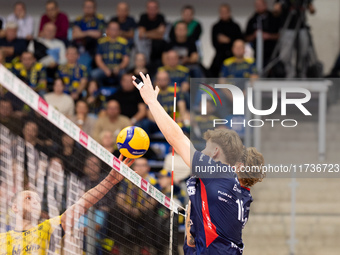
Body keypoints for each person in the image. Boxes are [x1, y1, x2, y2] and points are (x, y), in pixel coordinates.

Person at [132, 72, 265, 254]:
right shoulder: (245, 196)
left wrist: (152, 102)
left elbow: (178, 139)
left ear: (240, 166)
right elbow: (196, 233)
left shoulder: (221, 176)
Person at [1, 154, 133, 254]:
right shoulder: (2, 238)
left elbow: (82, 204)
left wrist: (109, 181)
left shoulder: (46, 228)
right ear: (15, 207)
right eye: (29, 197)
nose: (35, 201)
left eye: (37, 200)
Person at [116, 157, 157, 254]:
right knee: (116, 210)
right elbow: (119, 197)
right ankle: (116, 246)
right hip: (128, 210)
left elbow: (153, 201)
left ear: (148, 168)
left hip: (143, 212)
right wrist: (127, 207)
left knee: (150, 213)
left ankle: (146, 247)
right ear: (134, 167)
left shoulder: (152, 181)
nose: (140, 168)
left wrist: (139, 209)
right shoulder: (127, 179)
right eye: (138, 165)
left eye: (143, 165)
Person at [273, 0, 315, 78]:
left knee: (304, 51)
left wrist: (308, 6)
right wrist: (278, 8)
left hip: (301, 26)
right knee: (285, 54)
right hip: (288, 27)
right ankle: (290, 72)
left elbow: (312, 10)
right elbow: (276, 11)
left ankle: (302, 72)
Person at [92, 21, 130, 87]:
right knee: (94, 74)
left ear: (119, 31)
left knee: (125, 76)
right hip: (104, 69)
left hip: (118, 68)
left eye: (116, 29)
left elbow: (126, 60)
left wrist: (118, 68)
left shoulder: (123, 42)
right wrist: (105, 69)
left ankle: (121, 93)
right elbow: (98, 59)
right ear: (108, 30)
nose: (114, 31)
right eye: (112, 29)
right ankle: (99, 93)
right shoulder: (101, 42)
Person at [210, 4, 243, 77]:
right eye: (222, 12)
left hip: (233, 56)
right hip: (220, 56)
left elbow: (240, 41)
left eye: (225, 12)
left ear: (229, 12)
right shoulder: (216, 27)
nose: (224, 14)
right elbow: (214, 44)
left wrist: (228, 40)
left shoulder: (235, 26)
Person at [245, 0, 280, 67]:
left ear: (265, 5)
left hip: (273, 52)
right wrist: (254, 35)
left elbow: (281, 35)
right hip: (257, 54)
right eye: (257, 5)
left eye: (261, 5)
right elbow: (246, 37)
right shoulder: (252, 20)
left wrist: (269, 36)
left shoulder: (274, 18)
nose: (259, 7)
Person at [137, 0, 167, 68]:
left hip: (158, 50)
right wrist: (156, 31)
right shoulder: (143, 17)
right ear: (147, 9)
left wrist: (146, 34)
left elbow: (161, 35)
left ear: (157, 9)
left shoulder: (161, 17)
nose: (152, 10)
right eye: (150, 8)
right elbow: (141, 35)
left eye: (154, 8)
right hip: (145, 46)